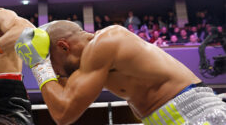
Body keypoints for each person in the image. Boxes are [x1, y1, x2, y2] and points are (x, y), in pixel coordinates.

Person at [16, 20, 226, 125]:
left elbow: (64, 114)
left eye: (51, 62)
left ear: (64, 47)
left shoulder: (106, 41)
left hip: (196, 113)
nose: (55, 72)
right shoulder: (89, 64)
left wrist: (38, 64)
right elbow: (61, 103)